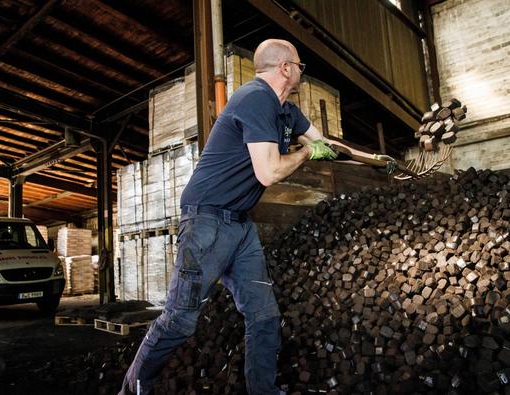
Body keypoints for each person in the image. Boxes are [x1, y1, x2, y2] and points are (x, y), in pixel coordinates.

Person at [119, 38, 387, 395]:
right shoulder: (254, 99)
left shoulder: (287, 112)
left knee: (264, 316)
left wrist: (379, 161)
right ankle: (132, 390)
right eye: (300, 66)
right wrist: (307, 154)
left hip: (240, 225)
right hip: (206, 222)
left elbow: (325, 144)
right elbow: (269, 172)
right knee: (180, 320)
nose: (301, 73)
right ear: (286, 68)